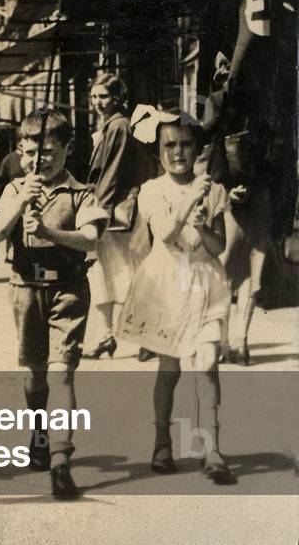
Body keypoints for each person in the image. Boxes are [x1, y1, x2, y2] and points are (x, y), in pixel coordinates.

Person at [0, 108, 109, 497]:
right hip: (25, 287)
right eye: (28, 153)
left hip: (69, 290)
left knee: (62, 373)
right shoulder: (13, 189)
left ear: (67, 150)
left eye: (47, 153)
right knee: (35, 374)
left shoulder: (81, 193)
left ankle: (61, 460)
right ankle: (40, 431)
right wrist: (20, 202)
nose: (36, 161)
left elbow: (91, 239)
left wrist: (48, 231)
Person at [117, 114, 234, 484]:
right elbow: (165, 234)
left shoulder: (213, 190)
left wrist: (202, 223)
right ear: (159, 152)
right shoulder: (152, 190)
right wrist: (188, 205)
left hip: (204, 282)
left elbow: (218, 245)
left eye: (185, 144)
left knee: (208, 364)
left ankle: (211, 447)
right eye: (169, 145)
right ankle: (162, 441)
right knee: (170, 369)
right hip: (168, 284)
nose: (178, 152)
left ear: (197, 148)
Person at [83, 73, 147, 360]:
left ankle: (145, 333)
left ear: (117, 97)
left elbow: (111, 174)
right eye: (94, 97)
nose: (98, 102)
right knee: (102, 275)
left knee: (125, 275)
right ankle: (105, 335)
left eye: (104, 97)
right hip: (107, 210)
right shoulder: (109, 126)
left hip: (112, 213)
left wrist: (98, 214)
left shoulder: (119, 126)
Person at [220, 131, 273, 365]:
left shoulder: (219, 101)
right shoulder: (273, 102)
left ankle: (229, 344)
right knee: (246, 269)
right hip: (256, 191)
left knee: (228, 270)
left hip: (242, 192)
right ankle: (236, 344)